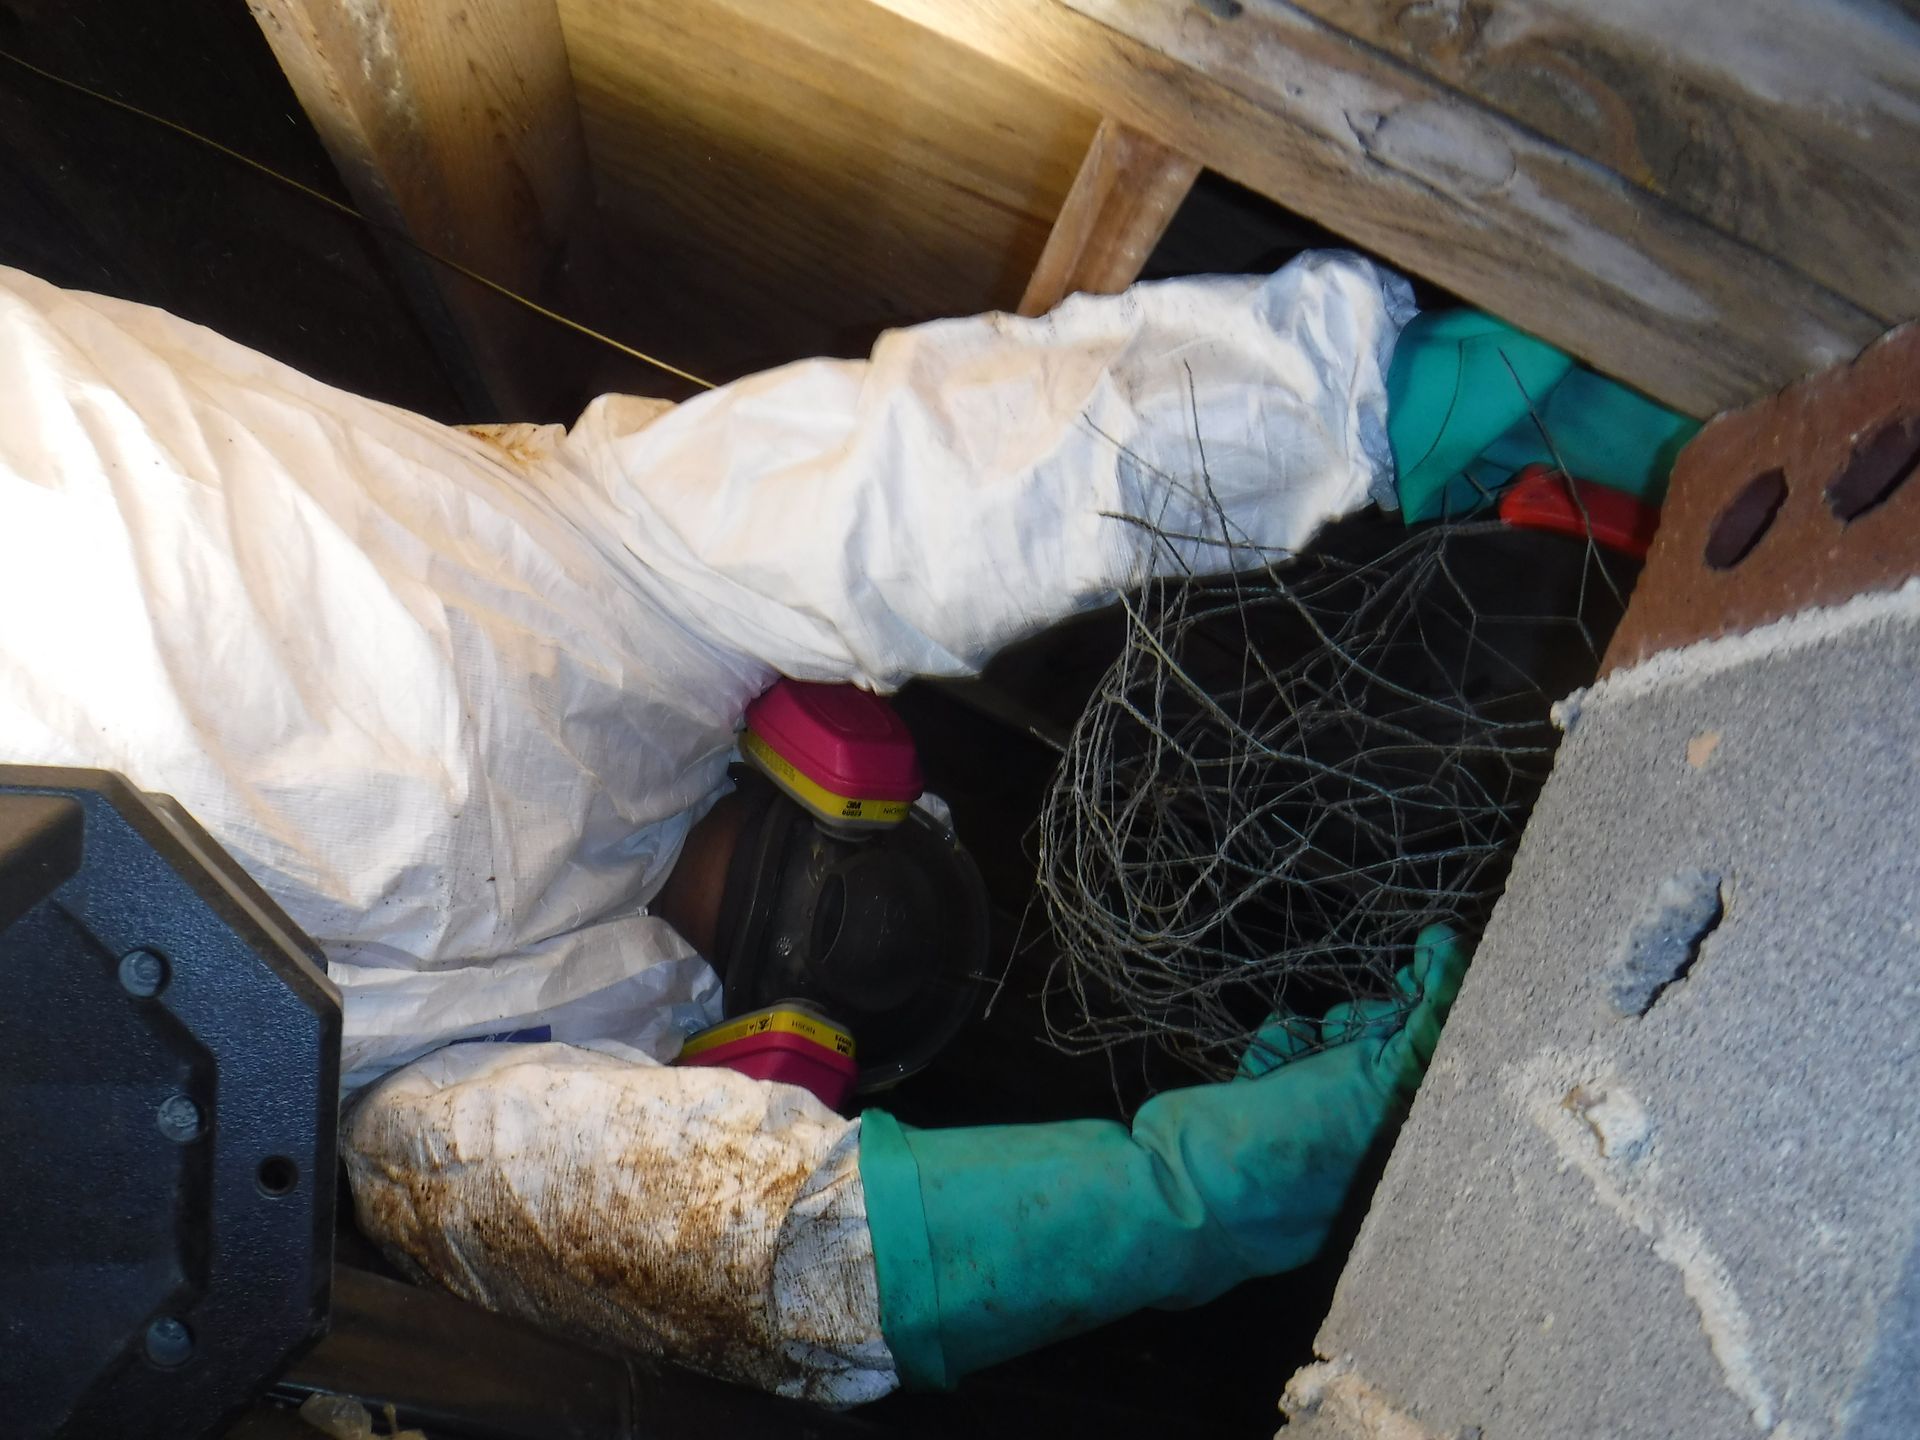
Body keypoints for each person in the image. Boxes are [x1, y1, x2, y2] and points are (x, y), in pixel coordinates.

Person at [0, 251, 1461, 1403]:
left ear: (780, 1061)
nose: (852, 932)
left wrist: (1185, 1200)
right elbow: (949, 478)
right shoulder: (644, 568)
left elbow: (760, 1246)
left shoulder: (453, 1087)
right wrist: (1374, 390)